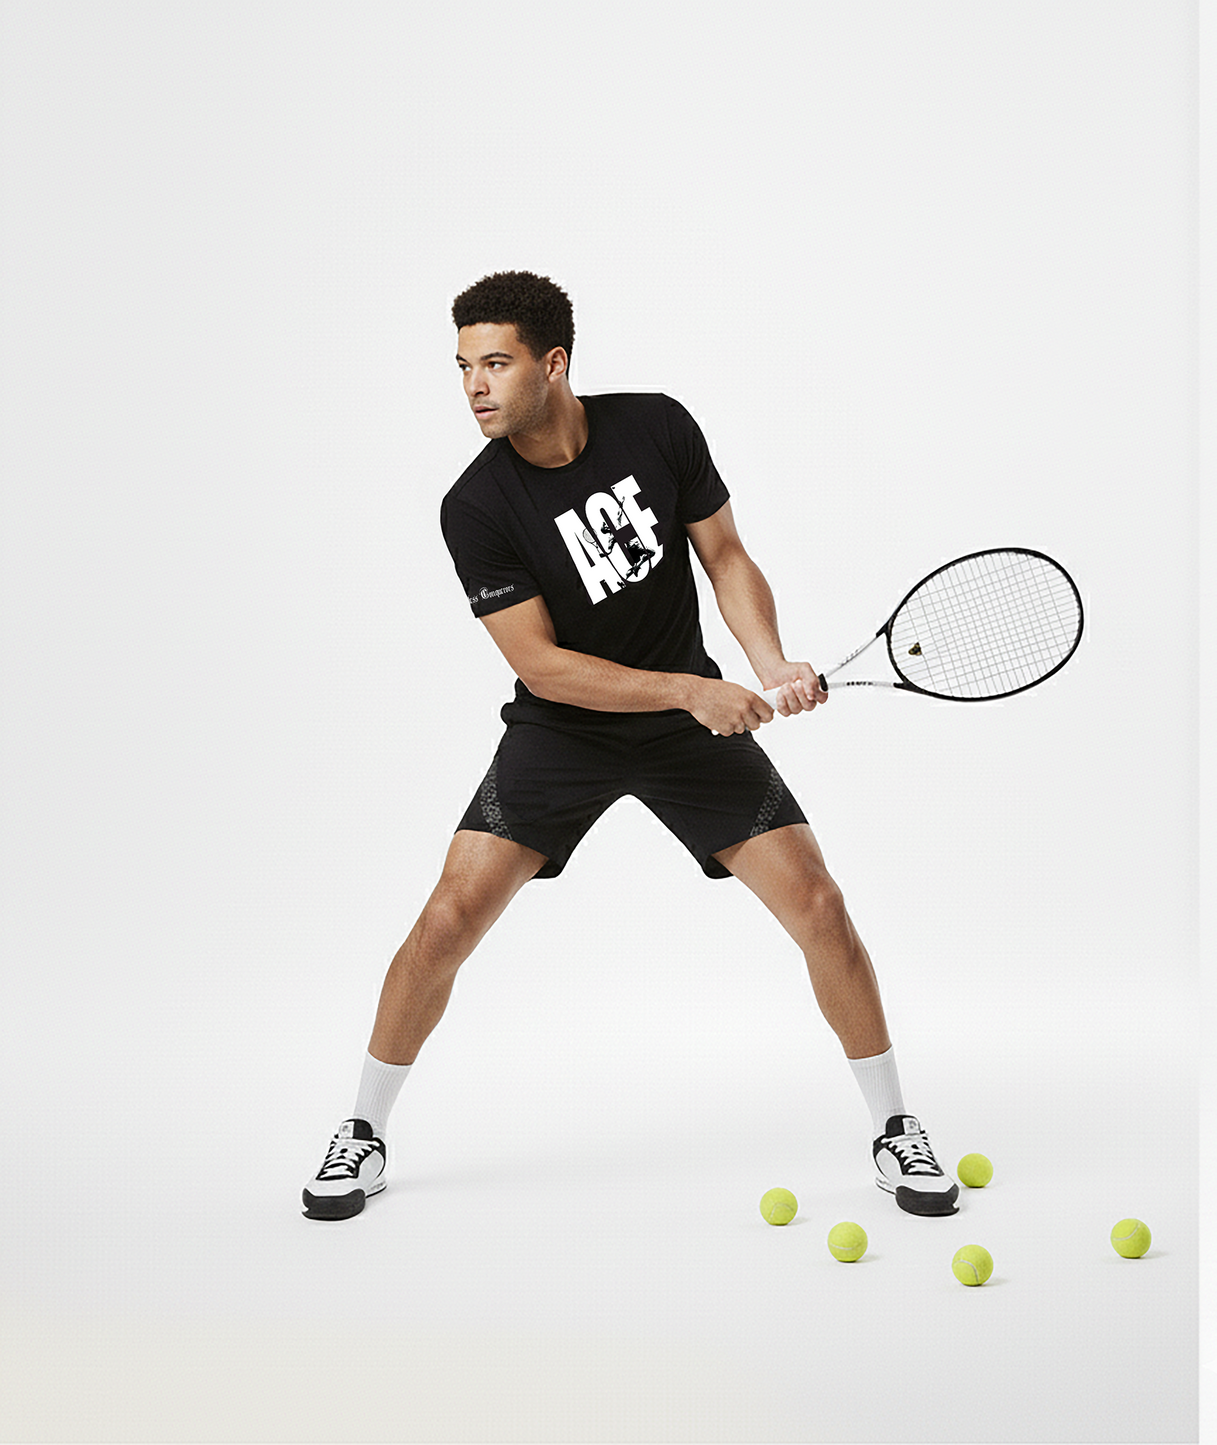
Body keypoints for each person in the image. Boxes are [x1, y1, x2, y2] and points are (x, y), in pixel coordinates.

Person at [302, 272, 958, 1221]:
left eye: (495, 363)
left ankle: (895, 1128)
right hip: (564, 728)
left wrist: (766, 661)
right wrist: (696, 690)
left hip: (687, 727)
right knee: (447, 920)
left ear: (552, 363)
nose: (474, 386)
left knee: (819, 901)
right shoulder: (474, 506)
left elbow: (724, 555)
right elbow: (543, 665)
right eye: (462, 367)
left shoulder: (656, 426)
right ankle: (361, 1133)